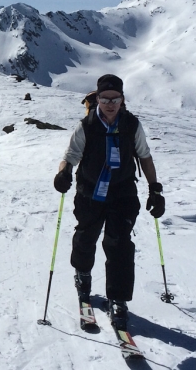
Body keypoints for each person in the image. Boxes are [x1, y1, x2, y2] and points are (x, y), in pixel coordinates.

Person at [53, 74, 165, 331]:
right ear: (97, 99)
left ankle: (118, 299)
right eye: (105, 99)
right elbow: (70, 155)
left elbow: (145, 157)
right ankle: (83, 276)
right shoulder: (87, 125)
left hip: (122, 193)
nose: (110, 103)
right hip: (90, 192)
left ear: (122, 99)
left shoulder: (131, 125)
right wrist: (63, 172)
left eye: (115, 99)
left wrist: (155, 189)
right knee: (85, 236)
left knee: (120, 245)